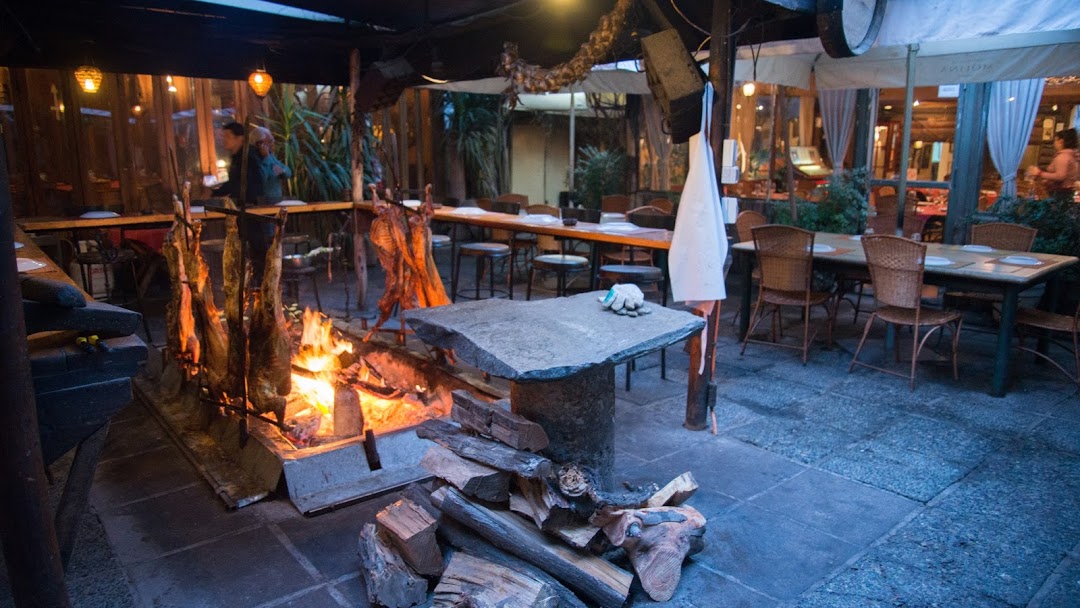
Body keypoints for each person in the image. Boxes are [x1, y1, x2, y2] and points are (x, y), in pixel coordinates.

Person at [211, 121, 264, 206]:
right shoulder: (237, 157)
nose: (224, 140)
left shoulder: (248, 156)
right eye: (223, 136)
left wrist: (215, 193)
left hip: (250, 205)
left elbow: (242, 184)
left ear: (240, 138)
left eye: (228, 136)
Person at [1027, 128, 1079, 202]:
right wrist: (1048, 180)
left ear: (1061, 141)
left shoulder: (1063, 157)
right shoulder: (1071, 155)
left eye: (1055, 140)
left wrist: (1039, 173)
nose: (1054, 143)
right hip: (1066, 192)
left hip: (1060, 193)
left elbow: (1060, 176)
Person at [253, 126, 291, 204]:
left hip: (275, 201)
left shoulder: (270, 156)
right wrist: (266, 158)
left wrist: (282, 171)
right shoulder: (254, 158)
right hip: (263, 202)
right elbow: (262, 178)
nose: (273, 144)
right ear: (260, 144)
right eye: (270, 141)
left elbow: (288, 173)